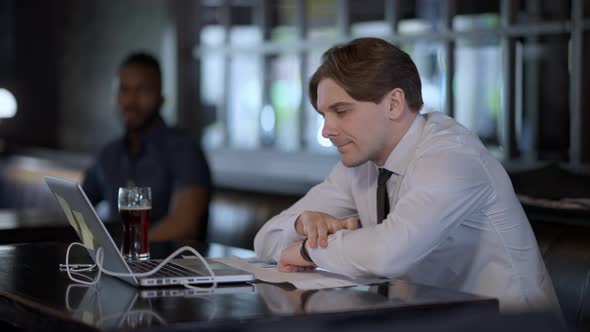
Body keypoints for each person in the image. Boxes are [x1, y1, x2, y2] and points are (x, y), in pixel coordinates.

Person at [254, 38, 560, 313]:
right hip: (429, 319)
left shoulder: (451, 156)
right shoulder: (361, 164)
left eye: (341, 111)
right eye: (324, 115)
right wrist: (302, 224)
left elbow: (389, 254)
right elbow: (264, 240)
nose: (326, 130)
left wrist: (308, 249)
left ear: (394, 103)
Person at [82, 52, 211, 241]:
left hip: (172, 266)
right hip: (117, 265)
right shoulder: (108, 154)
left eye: (143, 91)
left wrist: (131, 252)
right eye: (124, 90)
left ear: (161, 98)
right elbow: (78, 208)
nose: (130, 101)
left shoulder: (184, 149)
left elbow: (185, 225)